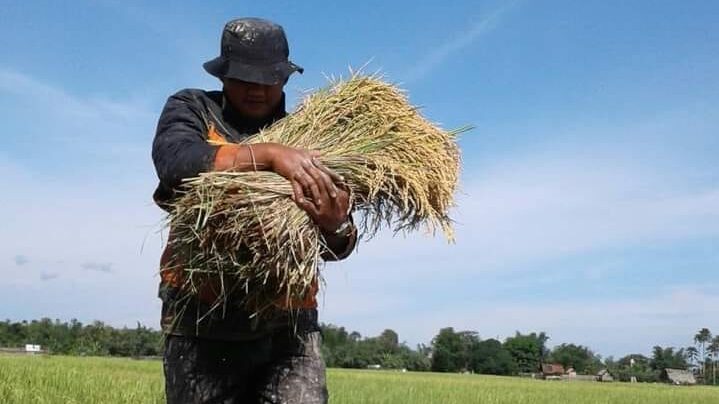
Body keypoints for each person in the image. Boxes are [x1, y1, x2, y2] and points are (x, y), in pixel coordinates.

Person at [152, 17, 356, 404]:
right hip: (202, 315)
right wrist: (268, 155)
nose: (257, 89)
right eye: (245, 78)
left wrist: (334, 224)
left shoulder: (312, 136)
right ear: (224, 74)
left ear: (285, 78)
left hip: (288, 323)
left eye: (268, 79)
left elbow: (340, 246)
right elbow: (176, 163)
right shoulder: (194, 108)